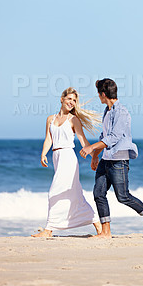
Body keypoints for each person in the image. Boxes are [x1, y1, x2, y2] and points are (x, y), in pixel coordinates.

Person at [80, 78, 143, 239]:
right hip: (106, 158)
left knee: (123, 196)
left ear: (103, 94)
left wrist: (91, 148)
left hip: (119, 160)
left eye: (98, 94)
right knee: (98, 193)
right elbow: (104, 136)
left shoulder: (121, 111)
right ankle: (106, 232)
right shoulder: (107, 111)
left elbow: (114, 137)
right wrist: (95, 156)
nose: (98, 97)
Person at [32, 87, 102, 238]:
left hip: (68, 158)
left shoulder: (73, 120)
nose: (72, 102)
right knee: (75, 194)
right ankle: (98, 225)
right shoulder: (50, 119)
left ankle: (48, 230)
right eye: (69, 99)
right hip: (56, 157)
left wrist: (94, 155)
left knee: (53, 192)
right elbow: (49, 139)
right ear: (62, 99)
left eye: (75, 100)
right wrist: (43, 153)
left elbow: (83, 140)